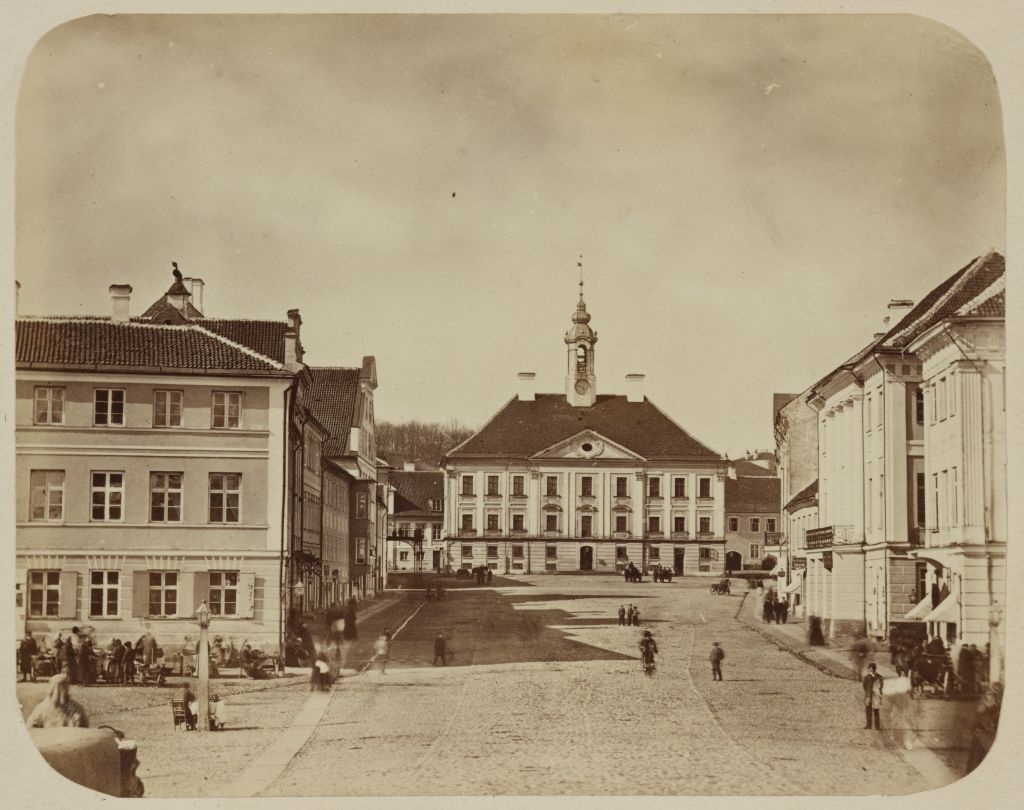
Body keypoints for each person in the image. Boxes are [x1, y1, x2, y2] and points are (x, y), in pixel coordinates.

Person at [863, 663, 884, 730]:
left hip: (876, 696)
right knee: (868, 711)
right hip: (868, 696)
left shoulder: (879, 677)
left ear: (875, 669)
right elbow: (864, 686)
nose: (870, 670)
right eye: (869, 668)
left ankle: (877, 727)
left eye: (872, 668)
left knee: (876, 711)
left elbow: (881, 687)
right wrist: (867, 694)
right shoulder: (866, 677)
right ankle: (868, 725)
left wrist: (880, 696)